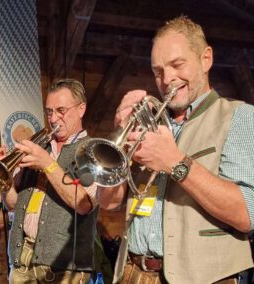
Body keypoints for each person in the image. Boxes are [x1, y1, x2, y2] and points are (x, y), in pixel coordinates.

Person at [100, 15, 254, 284]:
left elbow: (246, 215)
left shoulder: (239, 116)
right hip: (132, 273)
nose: (167, 78)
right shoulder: (148, 124)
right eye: (158, 70)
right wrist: (120, 140)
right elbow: (108, 202)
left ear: (206, 59)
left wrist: (174, 162)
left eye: (177, 64)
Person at [0, 79, 99, 283]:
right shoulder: (40, 147)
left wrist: (47, 164)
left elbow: (84, 204)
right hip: (22, 260)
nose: (53, 119)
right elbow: (12, 205)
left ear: (81, 109)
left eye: (61, 110)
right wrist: (5, 180)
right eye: (49, 111)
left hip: (64, 268)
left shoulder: (93, 150)